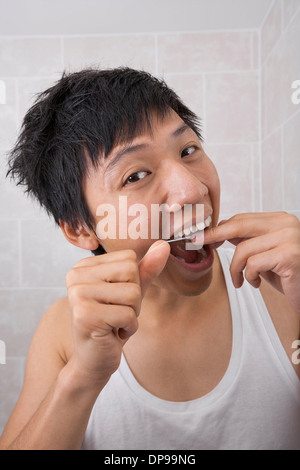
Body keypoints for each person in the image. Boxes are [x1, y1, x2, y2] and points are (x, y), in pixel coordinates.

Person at [0, 68, 299, 450]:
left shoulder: (280, 291)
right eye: (136, 174)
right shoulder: (63, 331)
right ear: (80, 228)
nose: (192, 189)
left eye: (188, 151)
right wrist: (83, 376)